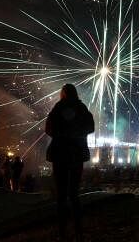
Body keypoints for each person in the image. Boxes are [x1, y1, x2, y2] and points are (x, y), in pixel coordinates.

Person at [45, 84, 95, 241]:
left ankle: (62, 232)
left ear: (63, 94)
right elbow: (90, 127)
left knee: (61, 194)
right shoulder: (81, 108)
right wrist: (76, 134)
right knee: (74, 193)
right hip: (76, 154)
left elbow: (48, 129)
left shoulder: (58, 108)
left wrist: (62, 135)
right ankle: (78, 229)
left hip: (60, 154)